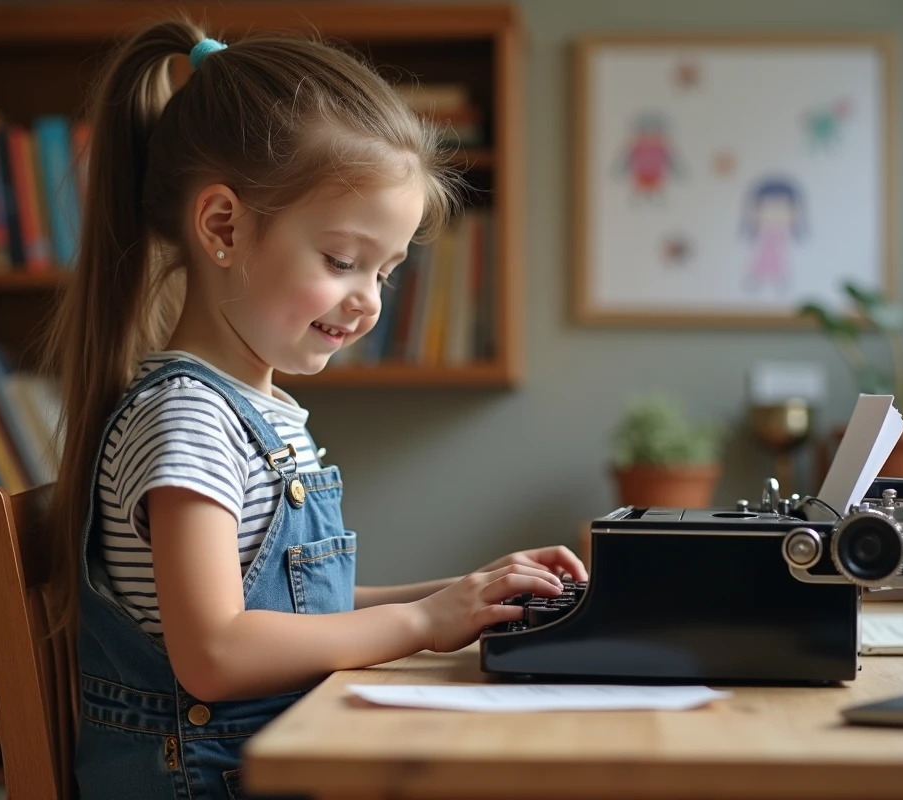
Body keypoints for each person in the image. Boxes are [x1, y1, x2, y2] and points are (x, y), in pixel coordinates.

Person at [42, 15, 587, 800]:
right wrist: (424, 624)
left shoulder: (256, 409)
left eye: (386, 271)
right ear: (223, 226)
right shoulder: (188, 420)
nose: (367, 302)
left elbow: (300, 613)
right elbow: (218, 652)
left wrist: (460, 595)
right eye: (341, 261)